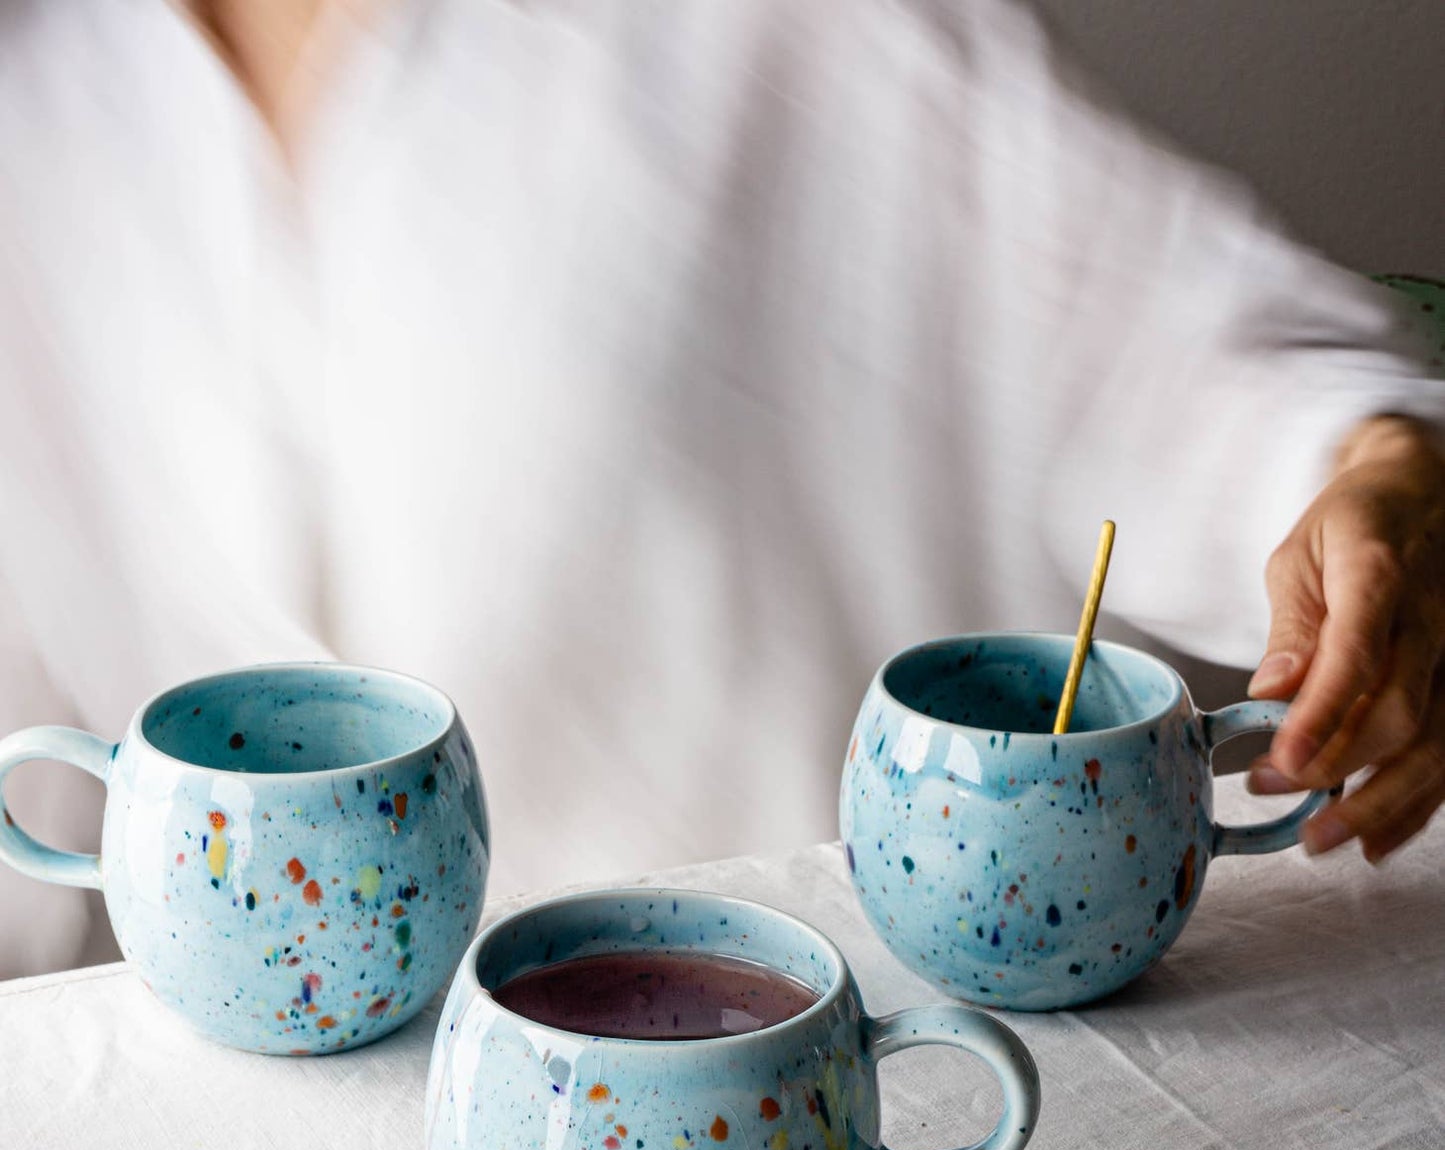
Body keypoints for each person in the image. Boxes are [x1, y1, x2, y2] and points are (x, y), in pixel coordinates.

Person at [1, 0, 1441, 979]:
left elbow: (1182, 360)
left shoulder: (773, 28)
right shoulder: (47, 108)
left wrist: (1377, 477)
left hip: (847, 1138)